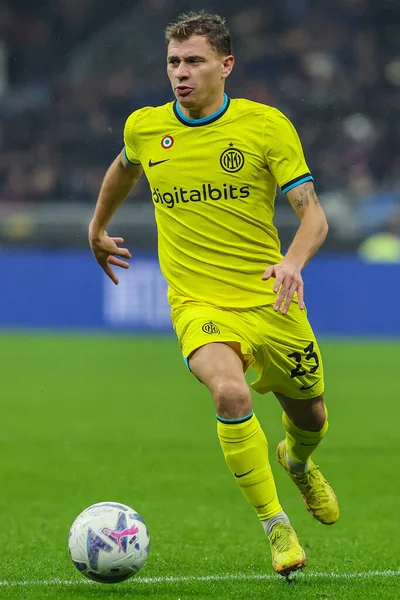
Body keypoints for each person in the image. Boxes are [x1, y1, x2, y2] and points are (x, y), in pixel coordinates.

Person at [88, 11, 338, 578]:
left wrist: (292, 263)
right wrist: (97, 228)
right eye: (174, 62)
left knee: (313, 416)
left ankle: (297, 461)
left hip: (271, 302)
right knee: (229, 394)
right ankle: (277, 528)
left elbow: (314, 216)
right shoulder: (146, 127)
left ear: (226, 66)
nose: (181, 73)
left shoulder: (265, 126)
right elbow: (124, 169)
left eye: (194, 61)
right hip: (199, 304)